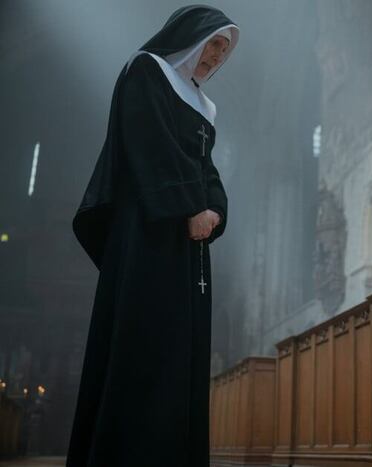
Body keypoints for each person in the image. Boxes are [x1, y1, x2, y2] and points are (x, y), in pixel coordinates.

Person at [67, 5, 239, 466]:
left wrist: (215, 210)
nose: (217, 56)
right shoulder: (146, 70)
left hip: (189, 247)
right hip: (149, 232)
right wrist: (189, 207)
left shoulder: (205, 105)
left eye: (224, 51)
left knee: (181, 355)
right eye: (213, 44)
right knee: (142, 346)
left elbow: (207, 168)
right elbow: (149, 144)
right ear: (191, 37)